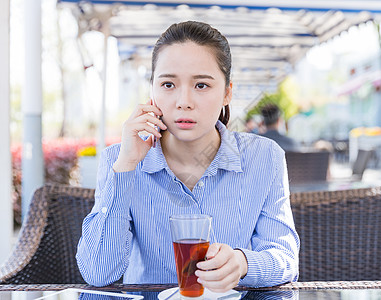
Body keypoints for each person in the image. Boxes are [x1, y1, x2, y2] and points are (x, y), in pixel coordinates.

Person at [76, 21, 299, 291]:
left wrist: (243, 263)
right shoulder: (120, 158)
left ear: (227, 92)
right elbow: (98, 273)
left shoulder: (264, 157)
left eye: (202, 85)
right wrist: (125, 167)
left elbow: (285, 258)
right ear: (152, 91)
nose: (184, 101)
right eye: (168, 84)